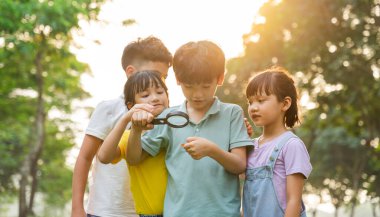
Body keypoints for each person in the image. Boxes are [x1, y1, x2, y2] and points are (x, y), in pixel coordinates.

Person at [126, 40, 254, 217]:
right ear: (178, 80)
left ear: (220, 78)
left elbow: (240, 165)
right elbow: (133, 159)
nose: (198, 94)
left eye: (206, 86)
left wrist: (212, 150)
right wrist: (136, 130)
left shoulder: (232, 114)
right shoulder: (168, 117)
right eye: (189, 86)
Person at [71, 36, 172, 217]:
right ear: (131, 72)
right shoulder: (108, 109)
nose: (161, 82)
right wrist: (76, 207)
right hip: (108, 209)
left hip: (148, 210)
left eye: (164, 77)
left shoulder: (168, 116)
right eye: (156, 74)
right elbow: (85, 157)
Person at [97, 70, 169, 217]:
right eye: (145, 95)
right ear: (131, 105)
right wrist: (125, 120)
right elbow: (104, 157)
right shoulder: (129, 136)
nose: (155, 98)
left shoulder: (177, 127)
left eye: (160, 92)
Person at [242, 67, 312, 217]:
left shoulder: (291, 145)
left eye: (261, 101)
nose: (253, 107)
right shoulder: (251, 146)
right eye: (250, 102)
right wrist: (240, 139)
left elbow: (294, 200)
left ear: (285, 104)